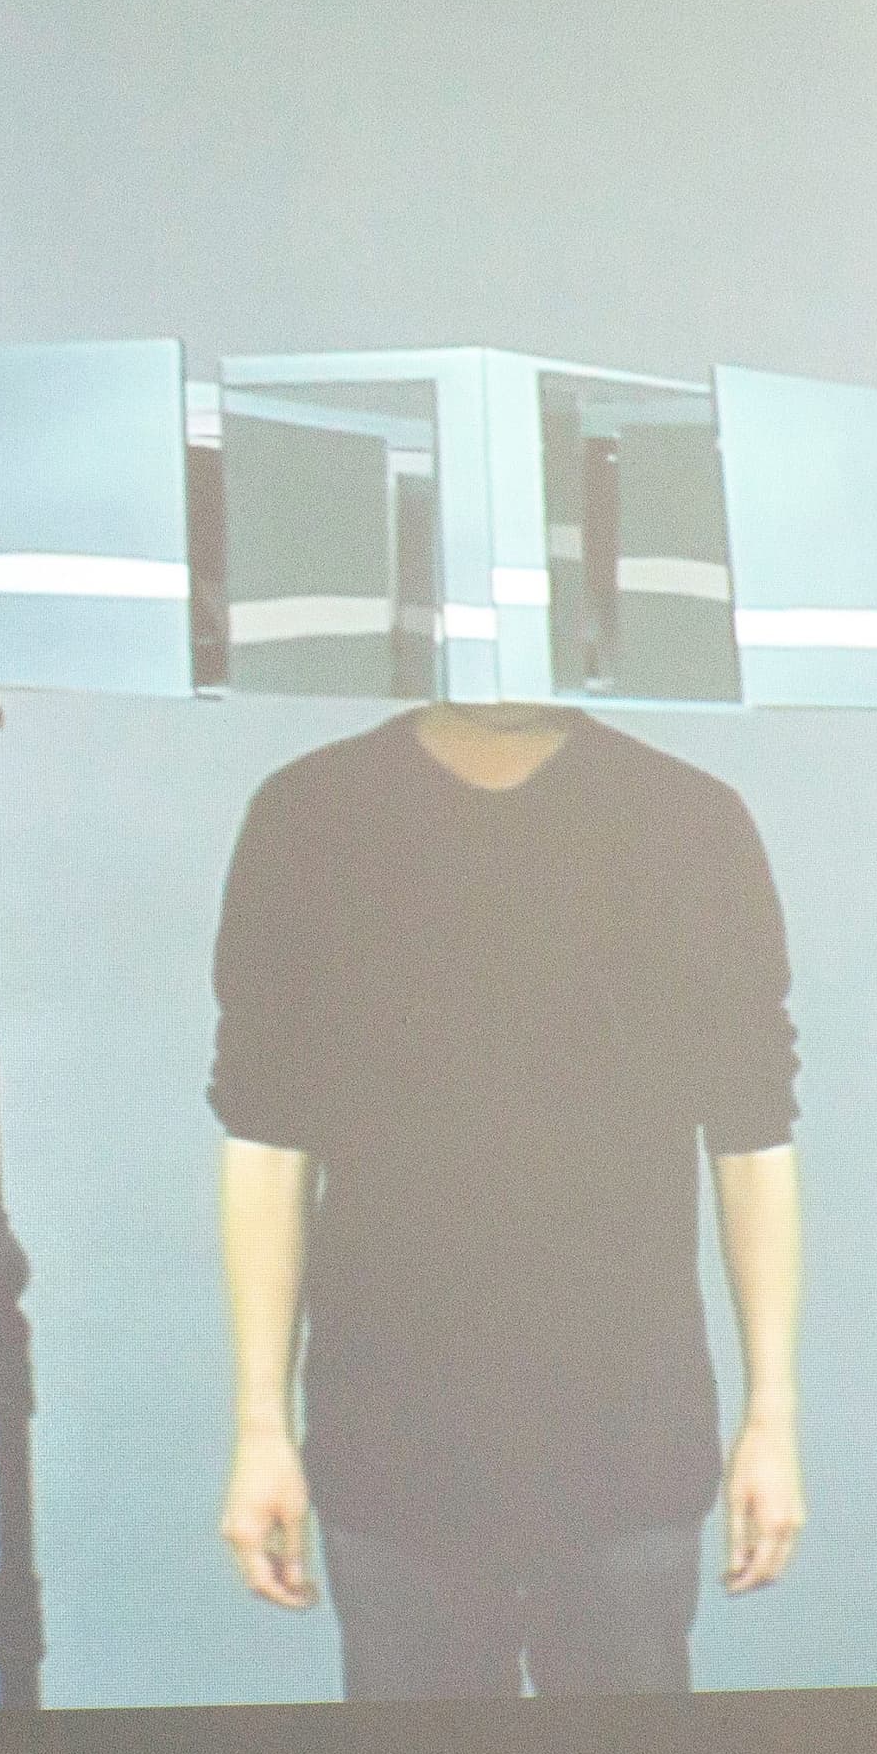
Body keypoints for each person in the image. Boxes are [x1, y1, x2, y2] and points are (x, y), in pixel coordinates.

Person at [209, 700, 806, 1698]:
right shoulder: (311, 816)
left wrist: (773, 1419)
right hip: (394, 1440)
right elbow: (268, 1142)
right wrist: (261, 1429)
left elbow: (753, 1140)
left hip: (630, 1437)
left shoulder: (688, 821)